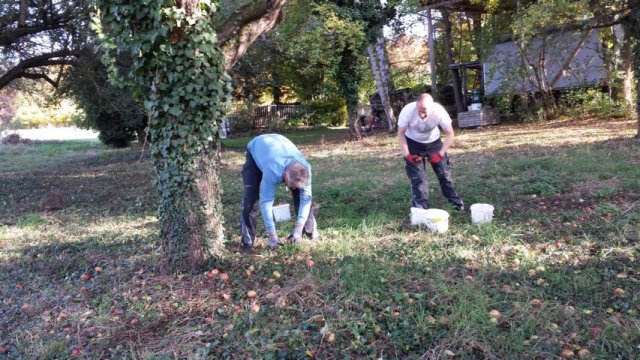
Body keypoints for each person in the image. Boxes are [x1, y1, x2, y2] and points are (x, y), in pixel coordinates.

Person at [240, 133, 317, 252]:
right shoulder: (273, 170)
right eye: (290, 185)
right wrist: (272, 235)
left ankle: (308, 231)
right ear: (284, 175)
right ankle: (247, 242)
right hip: (257, 148)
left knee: (300, 195)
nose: (293, 188)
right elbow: (266, 203)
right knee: (251, 196)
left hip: (279, 144)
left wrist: (298, 227)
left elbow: (306, 199)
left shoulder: (306, 169)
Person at [397, 93, 465, 212]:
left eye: (425, 111)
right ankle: (420, 209)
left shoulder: (439, 111)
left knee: (444, 175)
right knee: (418, 178)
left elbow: (450, 133)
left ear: (432, 106)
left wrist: (440, 154)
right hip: (413, 143)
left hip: (433, 143)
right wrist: (407, 155)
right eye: (419, 111)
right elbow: (400, 134)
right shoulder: (407, 111)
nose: (422, 114)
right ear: (416, 105)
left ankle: (457, 206)